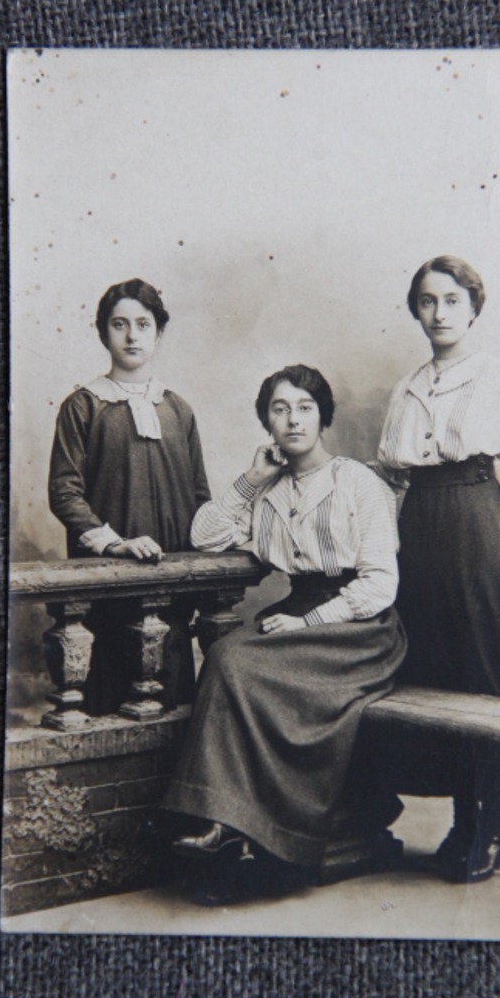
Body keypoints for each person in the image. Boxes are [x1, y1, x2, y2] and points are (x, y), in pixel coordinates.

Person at [163, 364, 407, 904]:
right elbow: (203, 537)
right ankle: (224, 821)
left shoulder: (356, 482)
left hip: (358, 628)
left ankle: (237, 825)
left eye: (304, 407)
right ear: (266, 422)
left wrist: (308, 622)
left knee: (237, 661)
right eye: (279, 408)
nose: (292, 418)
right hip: (297, 610)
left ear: (323, 417)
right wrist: (252, 479)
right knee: (230, 653)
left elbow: (380, 583)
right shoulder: (268, 491)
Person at [376, 255, 500, 883]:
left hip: (481, 529)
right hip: (420, 533)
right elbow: (396, 473)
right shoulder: (408, 387)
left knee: (487, 672)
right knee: (438, 672)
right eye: (428, 301)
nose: (440, 313)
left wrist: (489, 522)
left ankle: (491, 823)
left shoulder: (496, 379)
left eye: (453, 300)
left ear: (474, 309)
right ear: (416, 310)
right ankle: (460, 818)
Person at [48, 278, 210, 712]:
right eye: (120, 324)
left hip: (171, 584)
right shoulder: (83, 406)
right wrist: (115, 543)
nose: (132, 335)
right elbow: (65, 493)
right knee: (112, 699)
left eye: (144, 323)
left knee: (173, 707)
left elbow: (199, 496)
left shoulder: (178, 410)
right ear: (104, 332)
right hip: (110, 584)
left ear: (159, 332)